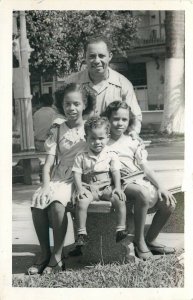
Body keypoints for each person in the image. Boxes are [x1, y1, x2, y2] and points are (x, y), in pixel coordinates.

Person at [105, 101, 176, 260]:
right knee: (142, 194)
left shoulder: (132, 141)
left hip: (137, 178)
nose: (120, 123)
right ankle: (139, 241)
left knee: (169, 202)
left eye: (124, 120)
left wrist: (161, 187)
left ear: (129, 121)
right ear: (108, 119)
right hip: (117, 181)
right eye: (115, 119)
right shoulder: (103, 141)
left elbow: (145, 167)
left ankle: (150, 240)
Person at [28, 83, 87, 274]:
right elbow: (48, 163)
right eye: (67, 104)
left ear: (84, 105)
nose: (72, 108)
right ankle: (44, 252)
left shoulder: (90, 128)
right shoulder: (58, 128)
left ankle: (57, 255)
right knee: (38, 200)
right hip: (58, 177)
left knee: (57, 203)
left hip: (79, 178)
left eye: (76, 104)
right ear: (62, 105)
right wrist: (45, 186)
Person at [65, 35, 142, 138]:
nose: (97, 61)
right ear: (84, 57)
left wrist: (134, 133)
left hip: (112, 145)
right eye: (92, 56)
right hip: (78, 145)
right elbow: (58, 114)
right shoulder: (71, 83)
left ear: (110, 56)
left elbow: (135, 117)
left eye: (101, 56)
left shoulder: (123, 84)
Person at [72, 116, 128, 246]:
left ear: (108, 137)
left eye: (101, 138)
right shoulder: (81, 155)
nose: (97, 142)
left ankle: (120, 229)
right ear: (86, 138)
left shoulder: (111, 153)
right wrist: (79, 188)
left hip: (106, 186)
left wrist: (118, 188)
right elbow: (76, 173)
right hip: (88, 186)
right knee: (82, 202)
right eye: (93, 138)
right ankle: (81, 233)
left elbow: (115, 171)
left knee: (119, 199)